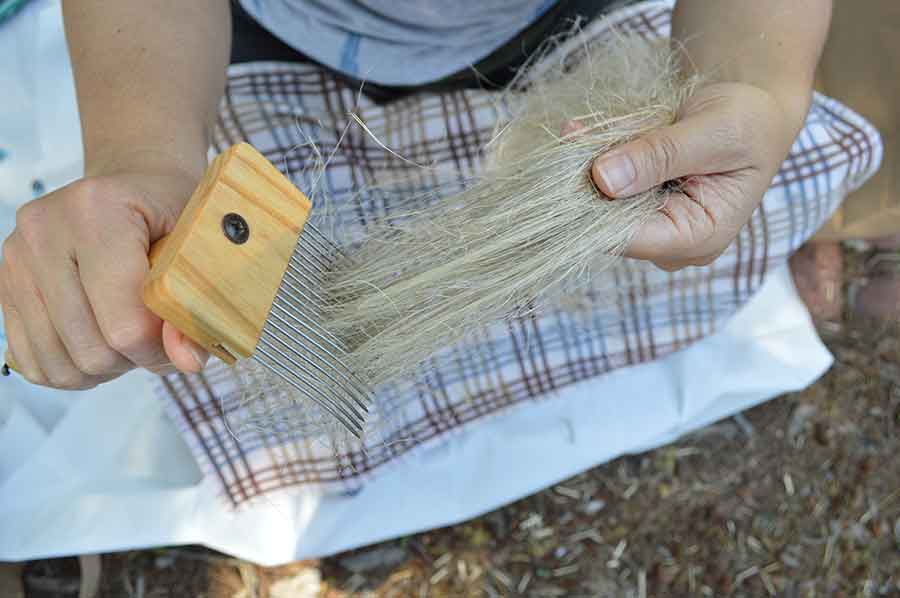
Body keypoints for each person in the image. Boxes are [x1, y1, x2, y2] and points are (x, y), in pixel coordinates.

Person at [0, 0, 831, 390]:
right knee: (216, 366)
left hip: (554, 22)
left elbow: (755, 45)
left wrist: (755, 79)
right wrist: (141, 152)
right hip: (243, 29)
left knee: (793, 180)